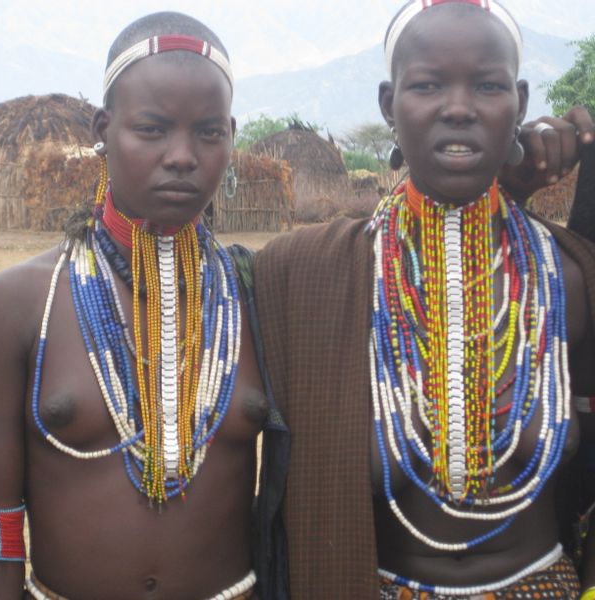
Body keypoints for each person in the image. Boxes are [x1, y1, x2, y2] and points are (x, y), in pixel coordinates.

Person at [254, 1, 595, 597]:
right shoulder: (306, 273)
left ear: (518, 101)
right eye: (428, 85)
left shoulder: (569, 276)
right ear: (390, 105)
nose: (458, 108)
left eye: (488, 86)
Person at [0, 12, 279, 600]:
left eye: (209, 133)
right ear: (104, 129)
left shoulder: (260, 291)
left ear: (231, 135)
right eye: (152, 129)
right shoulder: (21, 302)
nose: (182, 155)